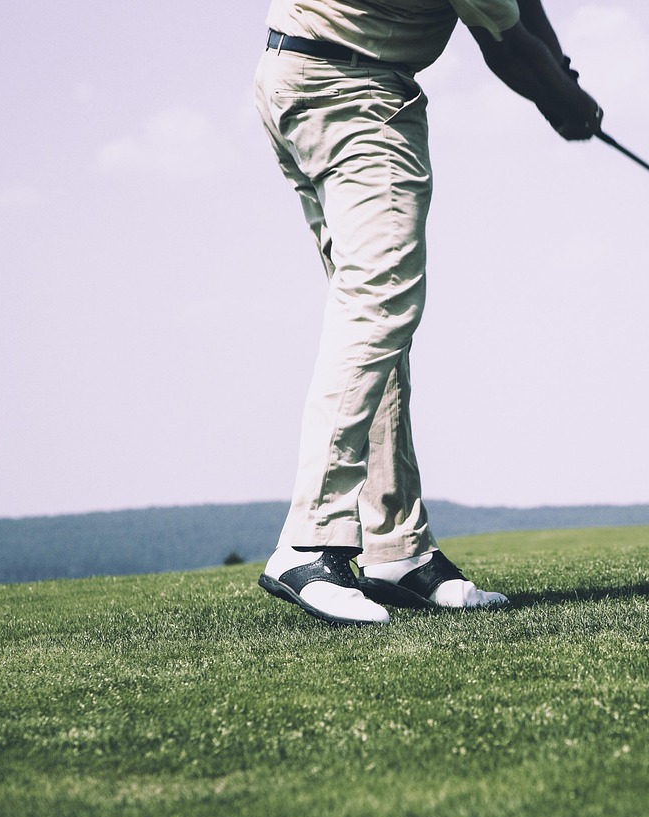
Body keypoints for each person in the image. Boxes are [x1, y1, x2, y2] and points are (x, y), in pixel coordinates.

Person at [253, 0, 602, 625]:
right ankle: (310, 540)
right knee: (379, 300)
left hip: (296, 76)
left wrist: (564, 77)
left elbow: (521, 10)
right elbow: (508, 42)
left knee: (374, 322)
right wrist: (566, 101)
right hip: (355, 92)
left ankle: (397, 550)